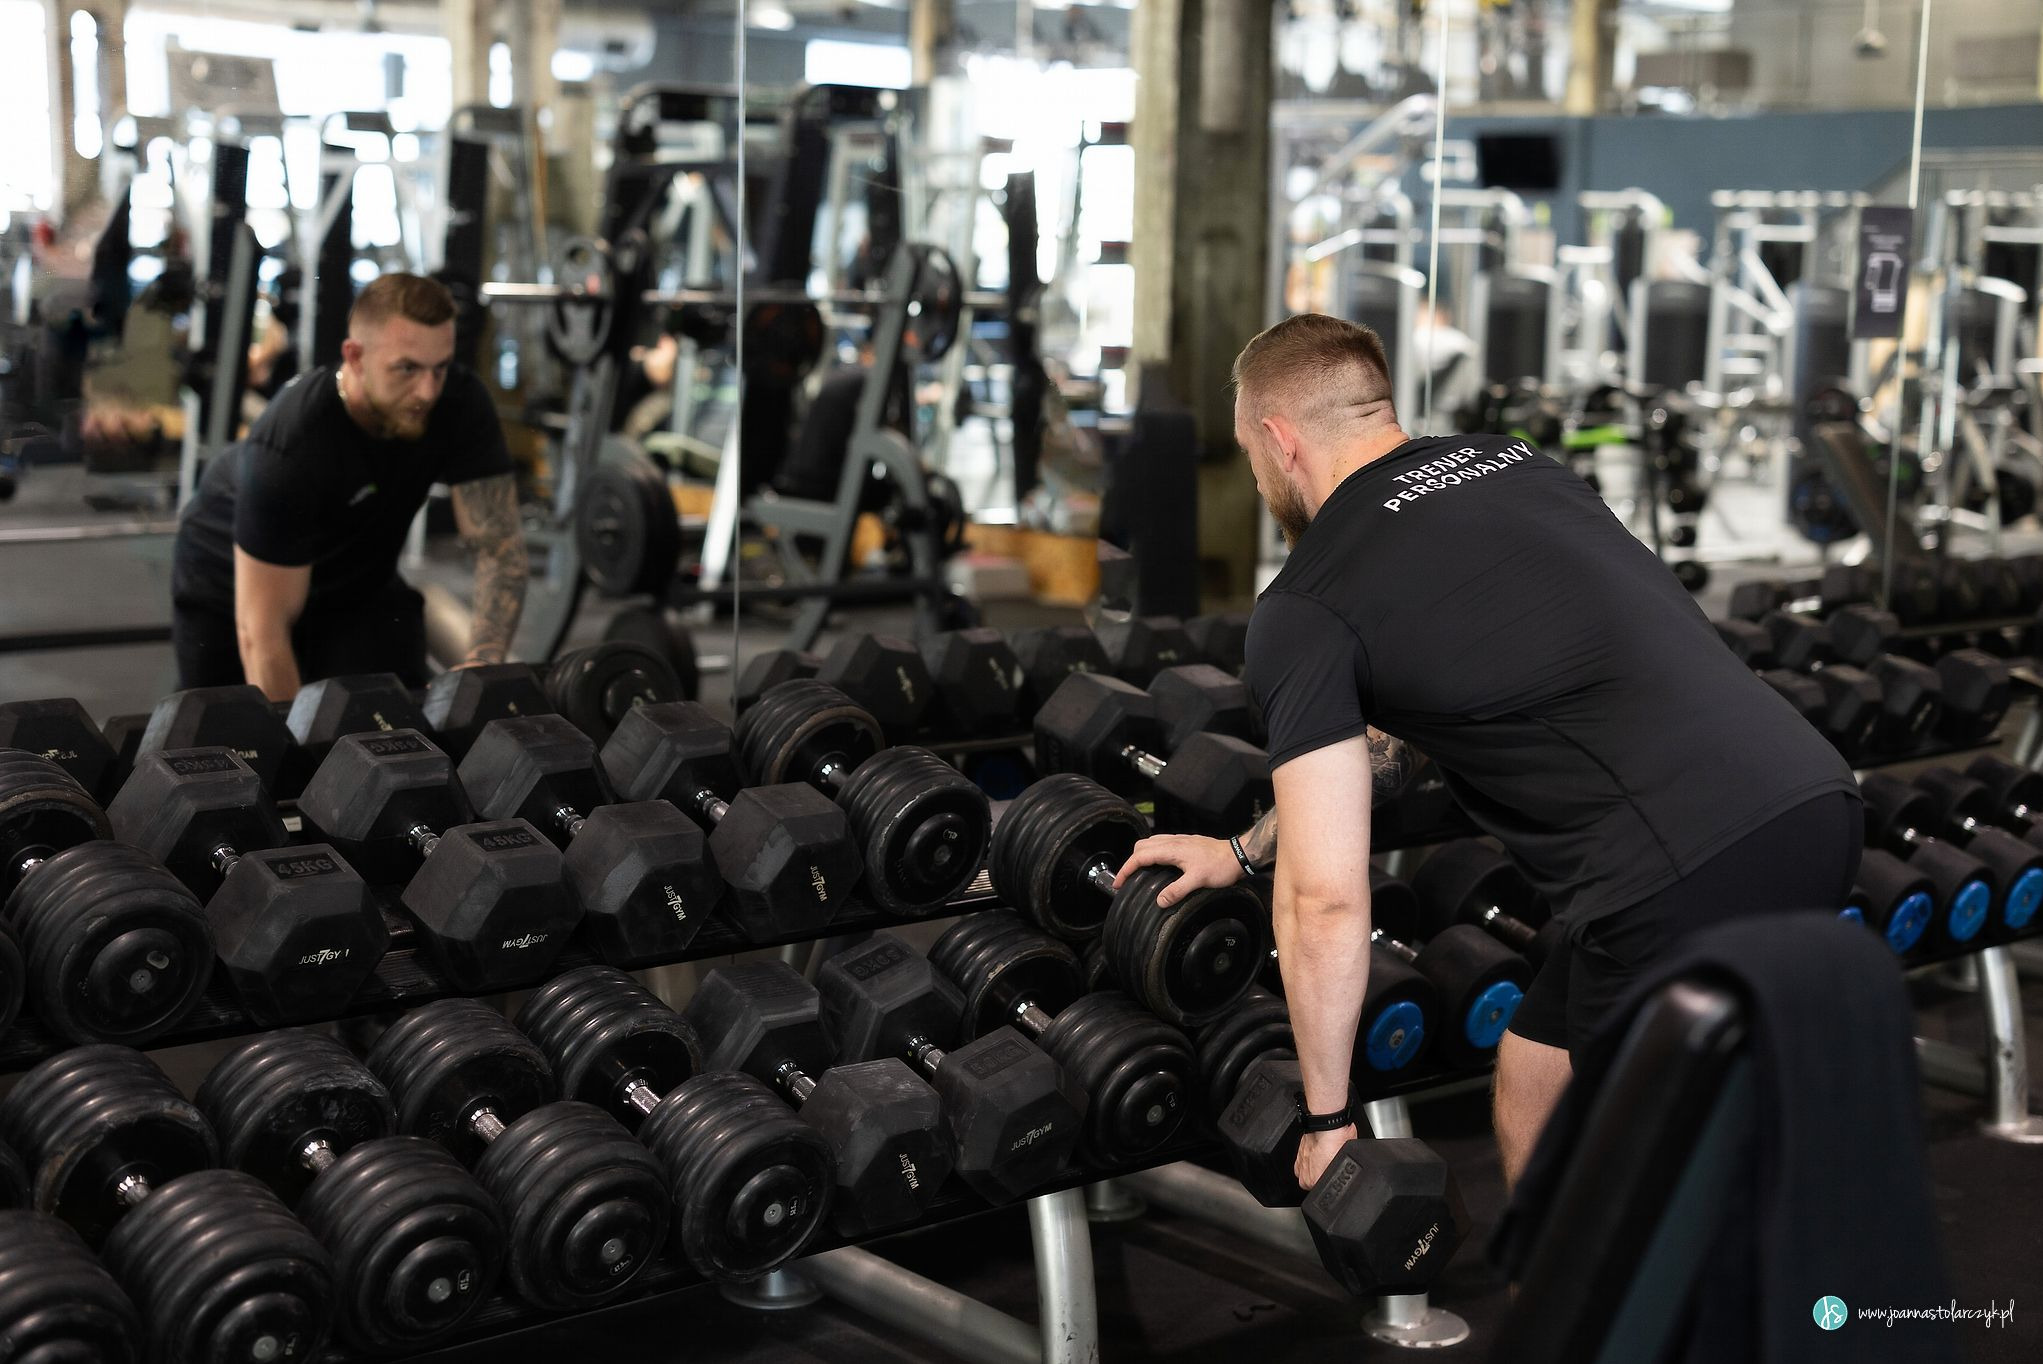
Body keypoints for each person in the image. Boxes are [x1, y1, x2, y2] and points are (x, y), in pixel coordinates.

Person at [1114, 313, 1860, 1196]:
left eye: (1245, 452)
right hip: (1815, 801)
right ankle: (1558, 1305)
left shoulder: (1307, 602)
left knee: (1650, 1205)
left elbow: (1323, 901)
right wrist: (1241, 852)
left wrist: (1324, 1117)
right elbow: (1391, 746)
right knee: (1538, 1066)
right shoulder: (1517, 465)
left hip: (1677, 874)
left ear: (1277, 442)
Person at [171, 272, 527, 698]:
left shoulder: (460, 403)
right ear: (355, 356)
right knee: (234, 745)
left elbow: (499, 549)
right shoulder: (291, 445)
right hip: (232, 587)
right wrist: (299, 758)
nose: (427, 391)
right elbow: (262, 632)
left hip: (356, 583)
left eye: (440, 367)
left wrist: (482, 667)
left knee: (396, 721)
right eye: (407, 369)